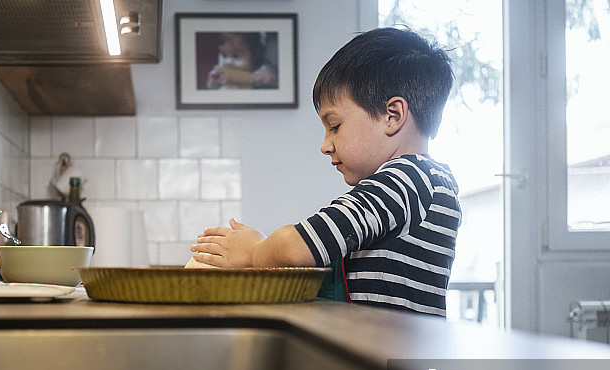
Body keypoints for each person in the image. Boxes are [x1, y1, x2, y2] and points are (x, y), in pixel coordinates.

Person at [190, 27, 461, 317]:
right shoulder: (427, 182)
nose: (324, 145)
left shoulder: (406, 179)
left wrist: (254, 250)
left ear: (392, 115)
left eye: (334, 126)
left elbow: (294, 249)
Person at [205, 32, 278, 89]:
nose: (227, 62)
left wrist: (272, 80)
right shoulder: (222, 79)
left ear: (255, 56)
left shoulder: (260, 79)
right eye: (224, 55)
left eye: (236, 56)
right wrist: (212, 85)